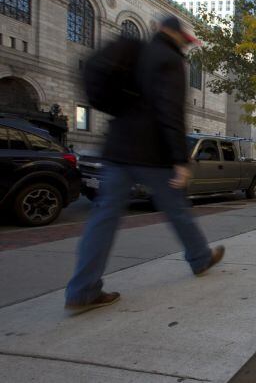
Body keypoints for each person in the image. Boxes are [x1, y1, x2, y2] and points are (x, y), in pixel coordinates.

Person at [65, 16, 224, 314]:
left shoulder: (133, 52)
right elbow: (171, 112)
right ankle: (200, 258)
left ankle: (82, 289)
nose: (185, 46)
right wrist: (180, 159)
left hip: (117, 146)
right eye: (184, 40)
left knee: (103, 218)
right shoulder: (169, 59)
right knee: (177, 209)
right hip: (152, 151)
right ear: (174, 33)